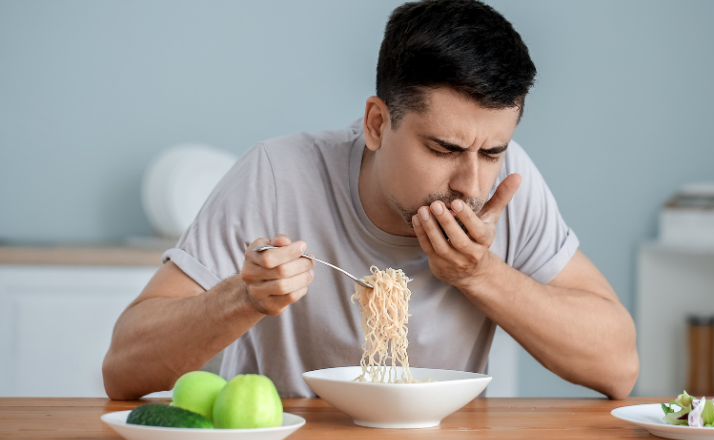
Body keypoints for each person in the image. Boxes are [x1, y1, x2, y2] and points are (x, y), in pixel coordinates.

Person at [103, 0, 638, 401]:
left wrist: (481, 275)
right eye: (444, 148)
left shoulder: (509, 183)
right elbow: (123, 369)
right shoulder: (276, 174)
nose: (470, 186)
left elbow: (618, 366)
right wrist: (242, 298)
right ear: (378, 123)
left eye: (493, 150)